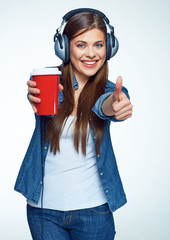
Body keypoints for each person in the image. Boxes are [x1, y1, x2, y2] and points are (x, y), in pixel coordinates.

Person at [14, 8, 133, 240]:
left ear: (109, 47)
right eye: (81, 45)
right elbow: (39, 100)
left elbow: (105, 106)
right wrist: (33, 95)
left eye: (98, 45)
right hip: (43, 210)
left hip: (94, 211)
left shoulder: (111, 91)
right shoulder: (47, 82)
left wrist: (116, 106)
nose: (91, 53)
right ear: (64, 46)